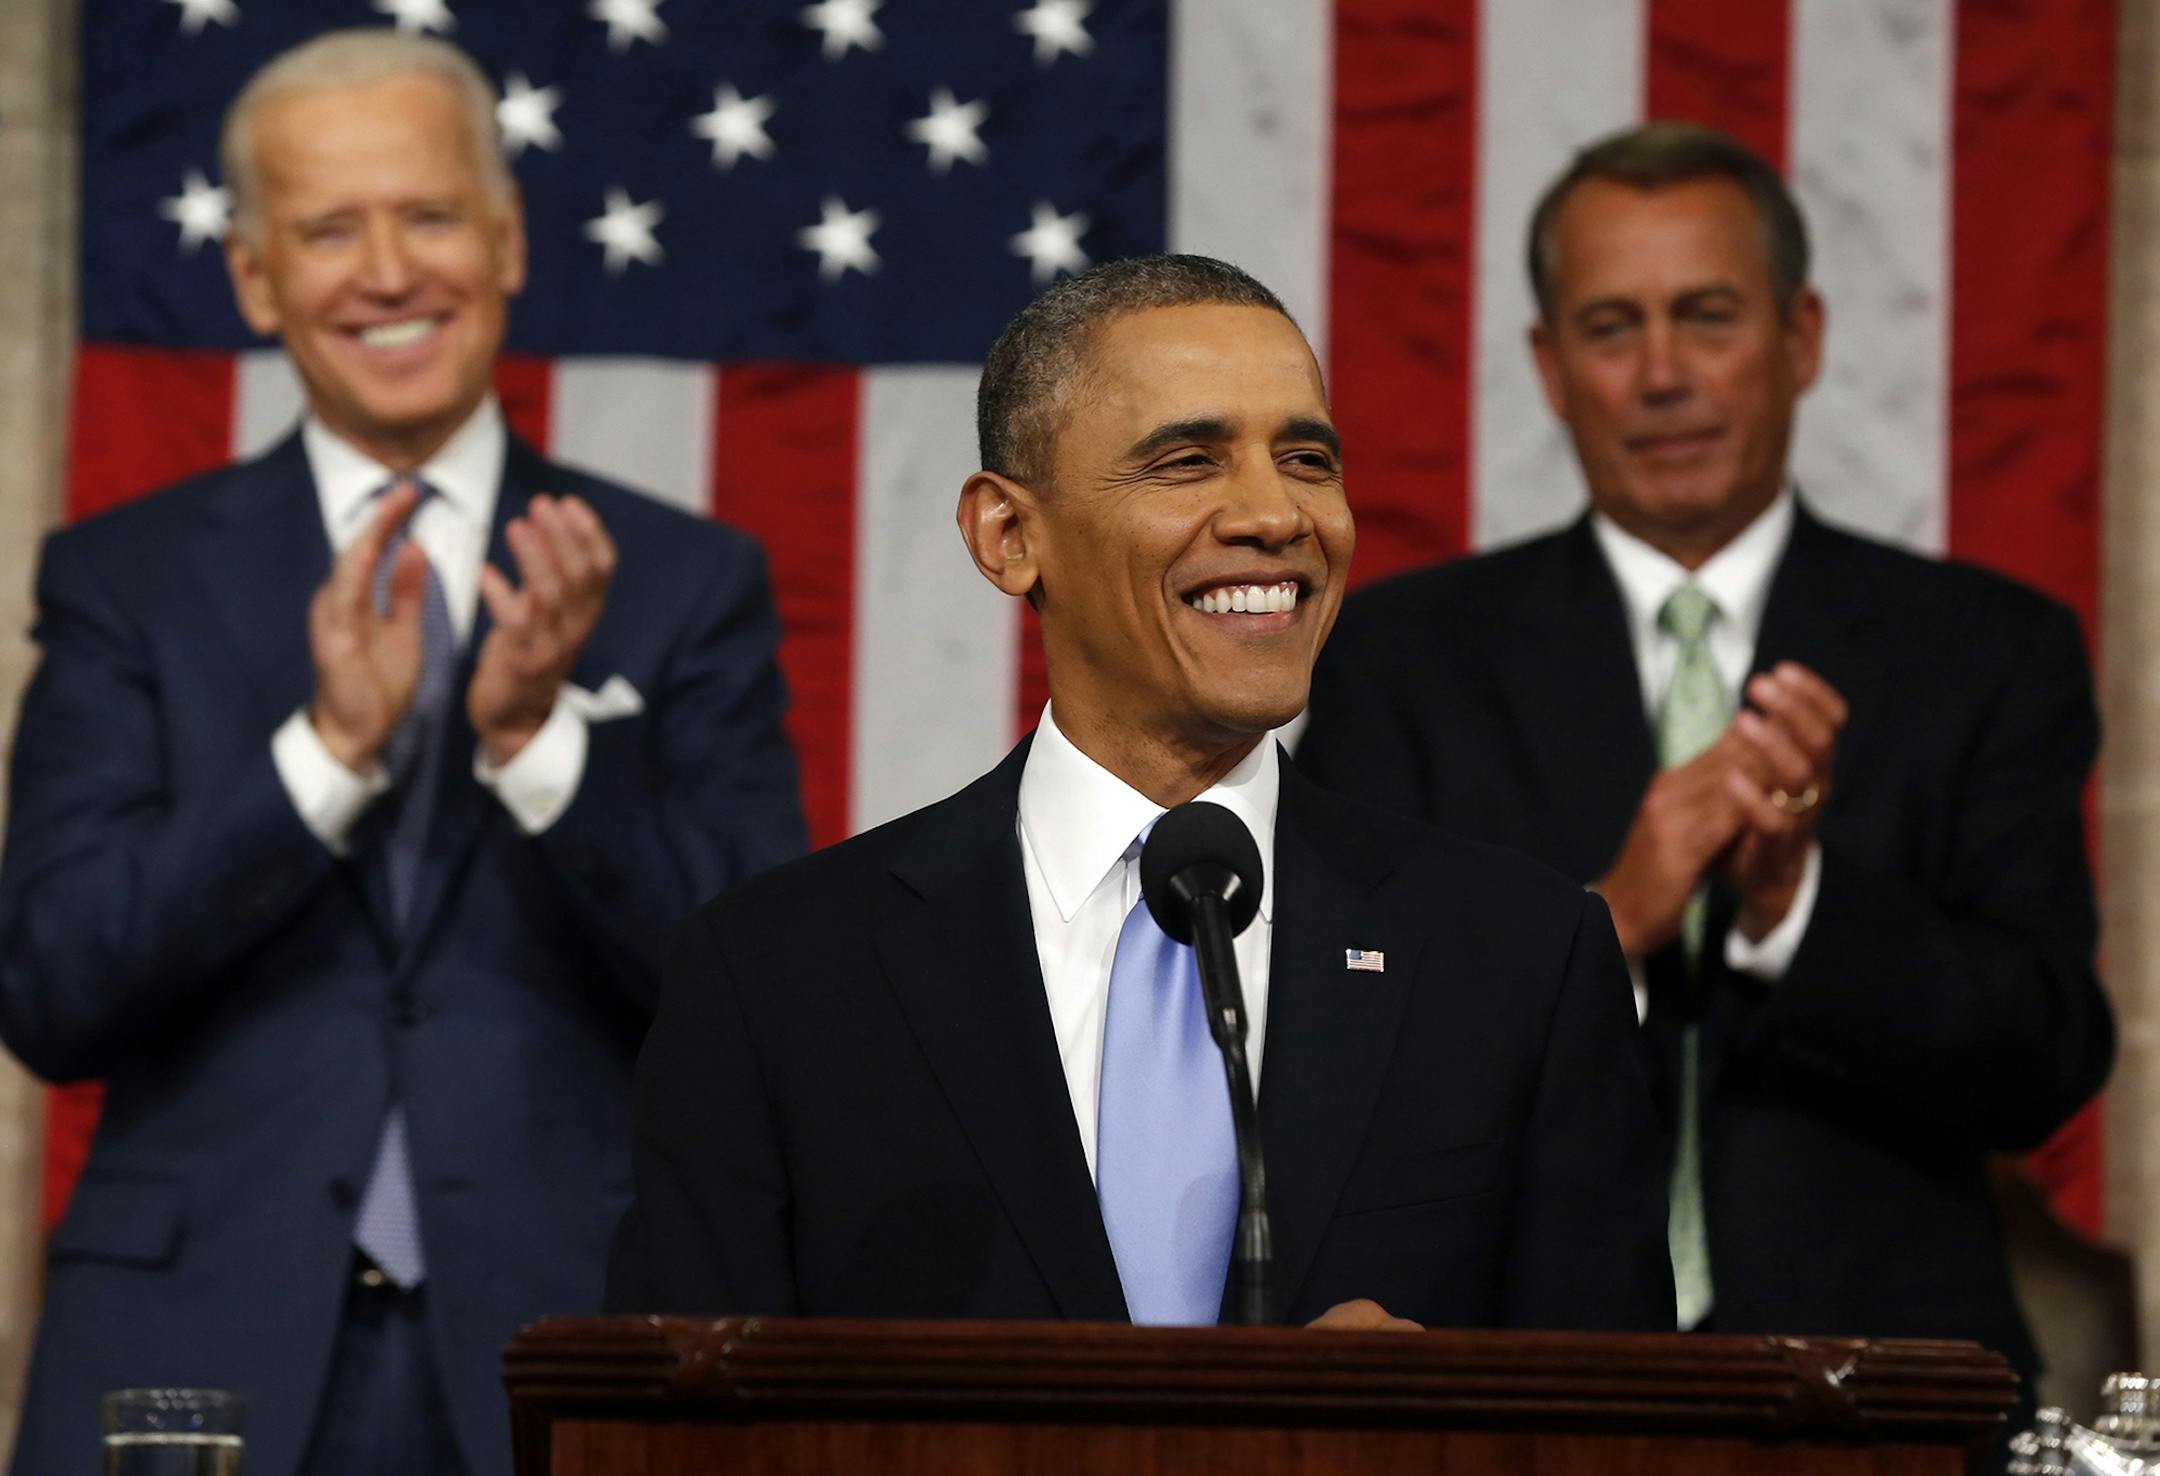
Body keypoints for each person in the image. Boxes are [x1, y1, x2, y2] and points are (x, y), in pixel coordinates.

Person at [0, 31, 805, 1476]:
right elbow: (54, 987)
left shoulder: (684, 580)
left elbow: (765, 1006)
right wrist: (324, 756)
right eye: (326, 229)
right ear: (255, 276)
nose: (385, 274)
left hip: (565, 1341)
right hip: (195, 1354)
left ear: (504, 243)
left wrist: (539, 742)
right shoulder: (126, 580)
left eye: (428, 217)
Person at [606, 254, 1673, 1333]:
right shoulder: (778, 982)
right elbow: (679, 1433)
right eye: (1189, 462)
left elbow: (1627, 1438)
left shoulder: (1519, 964)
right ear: (1008, 536)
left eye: (1306, 457)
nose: (1275, 514)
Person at [1299, 123, 2114, 1411]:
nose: (1663, 373)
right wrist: (1607, 923)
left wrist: (1798, 909)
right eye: (1613, 327)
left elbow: (2047, 1061)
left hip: (1882, 1404)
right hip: (1519, 1394)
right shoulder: (1401, 664)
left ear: (1802, 339)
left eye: (1709, 316)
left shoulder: (1984, 651)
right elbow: (1339, 1069)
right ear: (1550, 368)